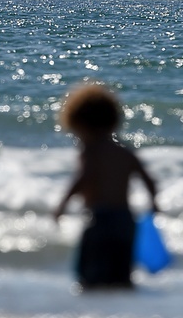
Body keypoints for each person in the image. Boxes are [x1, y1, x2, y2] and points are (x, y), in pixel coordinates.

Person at [54, 83, 159, 289]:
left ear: (80, 123)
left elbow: (83, 178)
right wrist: (154, 203)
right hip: (125, 221)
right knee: (121, 277)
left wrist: (63, 205)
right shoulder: (125, 152)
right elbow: (149, 180)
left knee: (90, 280)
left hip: (99, 220)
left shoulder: (91, 152)